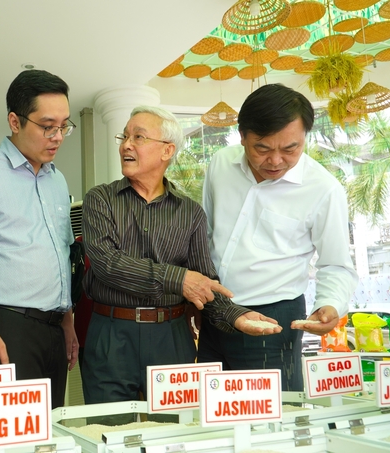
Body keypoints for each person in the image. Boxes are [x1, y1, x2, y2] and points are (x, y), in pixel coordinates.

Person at [80, 105, 281, 405]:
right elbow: (107, 264)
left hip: (171, 338)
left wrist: (236, 315)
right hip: (110, 335)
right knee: (109, 432)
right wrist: (179, 278)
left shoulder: (190, 213)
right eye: (124, 136)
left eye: (139, 136)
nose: (126, 144)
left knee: (176, 430)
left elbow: (204, 281)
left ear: (167, 151)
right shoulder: (100, 199)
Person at [199, 83, 359, 391]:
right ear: (242, 135)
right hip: (215, 312)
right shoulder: (221, 164)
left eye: (290, 149)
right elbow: (204, 235)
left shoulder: (323, 189)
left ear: (304, 139)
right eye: (262, 148)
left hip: (272, 318)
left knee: (272, 420)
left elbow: (336, 264)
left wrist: (330, 303)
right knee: (210, 411)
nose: (275, 161)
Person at [0, 70, 78, 409]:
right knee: (11, 436)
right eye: (47, 126)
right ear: (15, 121)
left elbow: (62, 253)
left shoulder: (57, 180)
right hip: (4, 327)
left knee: (52, 432)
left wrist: (68, 321)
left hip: (54, 329)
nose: (58, 136)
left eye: (64, 126)